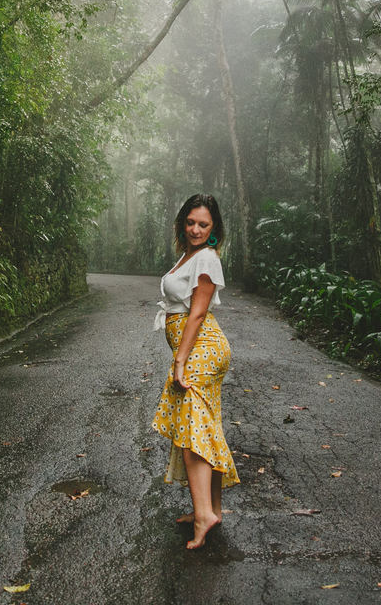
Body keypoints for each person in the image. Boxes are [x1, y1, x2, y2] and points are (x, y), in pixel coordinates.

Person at [151, 193, 240, 549]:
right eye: (191, 222)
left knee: (192, 433)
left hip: (203, 349)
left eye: (204, 224)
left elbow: (198, 313)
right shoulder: (189, 255)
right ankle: (210, 508)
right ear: (182, 222)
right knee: (205, 427)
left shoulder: (206, 258)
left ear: (214, 227)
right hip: (197, 349)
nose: (196, 229)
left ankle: (204, 514)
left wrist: (180, 359)